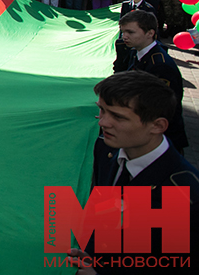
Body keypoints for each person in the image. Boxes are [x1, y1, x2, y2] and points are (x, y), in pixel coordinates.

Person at [69, 71, 198, 274]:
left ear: (157, 125)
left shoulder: (183, 192)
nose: (102, 122)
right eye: (102, 110)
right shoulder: (106, 148)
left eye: (118, 117)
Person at [112, 10, 188, 153]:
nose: (125, 36)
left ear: (150, 33)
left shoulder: (160, 65)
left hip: (158, 140)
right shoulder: (137, 51)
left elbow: (160, 108)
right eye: (123, 32)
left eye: (131, 32)